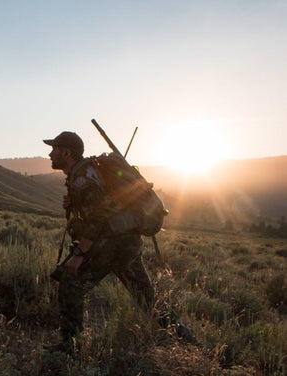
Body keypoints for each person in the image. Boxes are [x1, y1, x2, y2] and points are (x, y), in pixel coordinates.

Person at [42, 131, 194, 354]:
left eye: (54, 149)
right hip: (127, 242)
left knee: (70, 282)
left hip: (110, 244)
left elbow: (99, 214)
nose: (50, 154)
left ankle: (70, 347)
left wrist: (80, 254)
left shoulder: (83, 175)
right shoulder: (85, 171)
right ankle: (189, 342)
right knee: (146, 298)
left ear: (66, 152)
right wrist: (74, 203)